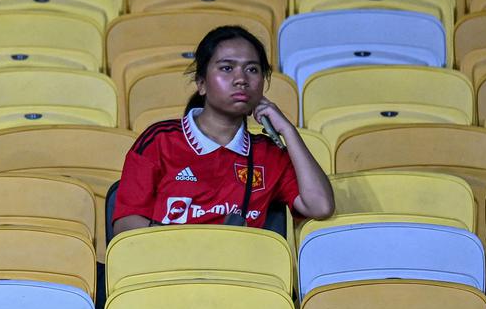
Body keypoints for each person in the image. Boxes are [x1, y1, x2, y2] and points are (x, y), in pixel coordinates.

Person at [112, 25, 334, 234]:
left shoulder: (269, 155)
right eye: (227, 68)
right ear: (201, 83)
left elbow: (320, 206)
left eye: (252, 69)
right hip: (168, 270)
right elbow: (126, 224)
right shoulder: (159, 141)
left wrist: (288, 130)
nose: (241, 79)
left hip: (239, 272)